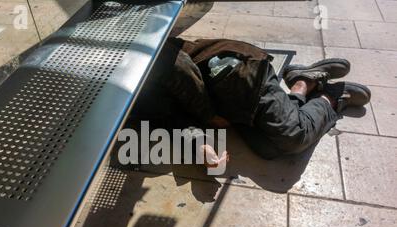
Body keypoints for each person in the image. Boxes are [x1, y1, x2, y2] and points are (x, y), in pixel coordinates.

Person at [133, 37, 371, 168]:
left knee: (293, 135)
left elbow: (172, 61)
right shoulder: (131, 111)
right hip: (222, 100)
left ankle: (330, 96)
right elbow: (170, 119)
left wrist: (208, 116)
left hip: (231, 72)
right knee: (267, 148)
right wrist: (201, 147)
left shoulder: (124, 59)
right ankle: (303, 83)